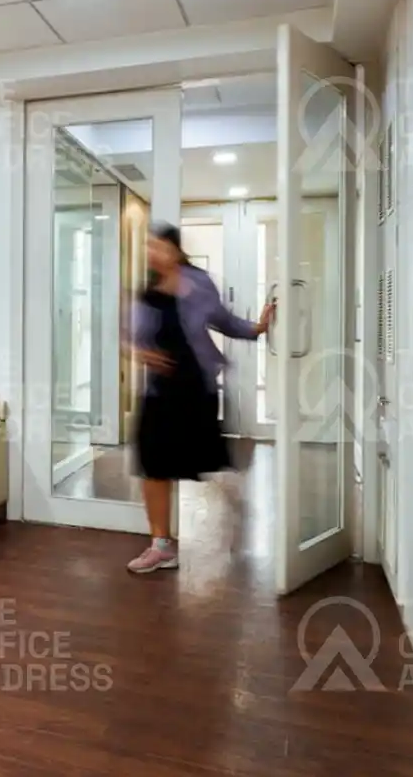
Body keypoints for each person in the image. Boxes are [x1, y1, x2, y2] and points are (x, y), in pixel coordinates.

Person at [125, 224, 274, 574]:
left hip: (194, 387)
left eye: (159, 247)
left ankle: (234, 525)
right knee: (152, 465)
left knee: (184, 462)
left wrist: (256, 328)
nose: (152, 253)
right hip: (158, 390)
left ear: (176, 251)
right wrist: (141, 353)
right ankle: (161, 546)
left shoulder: (199, 283)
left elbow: (223, 320)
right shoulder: (146, 293)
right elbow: (128, 337)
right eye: (149, 247)